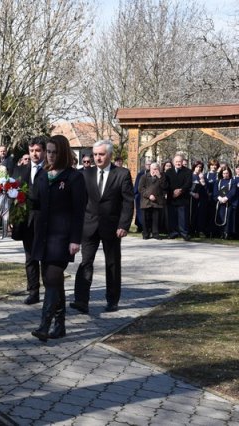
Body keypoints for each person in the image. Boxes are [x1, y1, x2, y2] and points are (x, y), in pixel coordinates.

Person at [30, 135, 86, 341]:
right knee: (50, 280)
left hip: (62, 237)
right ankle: (60, 325)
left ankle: (44, 325)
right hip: (43, 236)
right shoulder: (43, 175)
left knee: (53, 278)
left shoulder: (74, 177)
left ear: (62, 153)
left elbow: (79, 211)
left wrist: (75, 239)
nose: (51, 156)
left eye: (55, 152)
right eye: (49, 152)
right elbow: (35, 202)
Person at [71, 139, 134, 314]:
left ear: (110, 155)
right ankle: (81, 300)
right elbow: (80, 201)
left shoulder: (121, 174)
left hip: (112, 227)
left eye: (101, 154)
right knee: (86, 262)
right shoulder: (86, 174)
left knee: (112, 263)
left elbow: (128, 202)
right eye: (95, 154)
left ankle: (112, 300)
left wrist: (124, 225)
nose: (97, 158)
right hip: (89, 225)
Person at [11, 136, 47, 305]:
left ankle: (50, 290)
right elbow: (13, 195)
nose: (34, 154)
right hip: (26, 221)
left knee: (45, 258)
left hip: (44, 220)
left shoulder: (50, 170)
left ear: (44, 151)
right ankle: (33, 291)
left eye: (38, 150)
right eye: (31, 151)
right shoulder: (20, 170)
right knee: (30, 258)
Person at [165, 154, 192, 240]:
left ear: (182, 162)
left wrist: (180, 190)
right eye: (176, 162)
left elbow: (188, 183)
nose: (178, 163)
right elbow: (166, 184)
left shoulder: (188, 171)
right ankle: (173, 233)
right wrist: (172, 192)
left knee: (183, 218)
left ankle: (184, 233)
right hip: (171, 198)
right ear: (173, 162)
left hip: (183, 198)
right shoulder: (168, 172)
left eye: (179, 161)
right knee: (172, 217)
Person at [138, 162, 167, 239]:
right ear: (150, 169)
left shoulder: (162, 177)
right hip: (146, 201)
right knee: (146, 219)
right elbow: (140, 188)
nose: (155, 170)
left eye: (157, 169)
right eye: (154, 169)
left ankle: (155, 234)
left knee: (156, 219)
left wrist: (160, 177)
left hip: (157, 201)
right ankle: (146, 234)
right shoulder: (144, 177)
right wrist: (149, 195)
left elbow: (165, 187)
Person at [214, 167, 235, 239]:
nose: (225, 175)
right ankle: (221, 233)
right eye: (224, 173)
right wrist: (219, 198)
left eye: (227, 173)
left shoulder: (232, 181)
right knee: (220, 217)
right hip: (220, 203)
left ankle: (227, 233)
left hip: (228, 203)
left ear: (229, 173)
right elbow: (215, 192)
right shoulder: (218, 182)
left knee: (228, 218)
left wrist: (226, 198)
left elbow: (233, 191)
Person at [189, 162, 208, 237]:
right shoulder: (190, 176)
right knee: (192, 214)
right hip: (191, 198)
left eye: (200, 167)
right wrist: (192, 194)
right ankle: (191, 230)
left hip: (201, 198)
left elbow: (206, 189)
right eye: (197, 167)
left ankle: (199, 230)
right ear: (194, 167)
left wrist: (202, 180)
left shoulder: (203, 177)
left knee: (200, 215)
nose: (198, 168)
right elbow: (187, 187)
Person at [134, 160, 152, 234]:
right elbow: (136, 185)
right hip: (140, 196)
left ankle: (148, 228)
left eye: (150, 164)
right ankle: (140, 227)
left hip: (149, 196)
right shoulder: (140, 174)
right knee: (140, 212)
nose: (148, 166)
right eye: (147, 164)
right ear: (145, 165)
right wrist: (135, 194)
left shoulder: (153, 173)